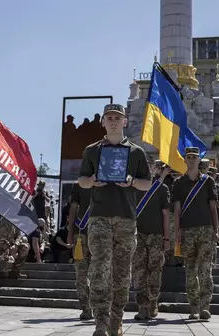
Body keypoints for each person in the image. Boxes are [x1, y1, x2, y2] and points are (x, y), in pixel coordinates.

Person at [77, 103, 151, 336]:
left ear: (124, 122)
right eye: (109, 118)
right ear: (103, 122)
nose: (113, 121)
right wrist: (93, 180)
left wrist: (131, 181)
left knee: (121, 271)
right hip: (99, 216)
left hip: (126, 218)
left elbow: (146, 184)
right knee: (99, 268)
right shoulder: (92, 150)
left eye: (117, 118)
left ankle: (116, 319)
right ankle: (100, 321)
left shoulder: (136, 152)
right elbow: (81, 181)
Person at [173, 147, 219, 320]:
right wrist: (177, 232)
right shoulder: (178, 183)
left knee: (205, 269)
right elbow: (176, 210)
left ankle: (205, 306)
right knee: (191, 271)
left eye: (194, 157)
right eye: (189, 157)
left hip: (206, 230)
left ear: (199, 160)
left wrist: (216, 230)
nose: (191, 159)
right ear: (184, 160)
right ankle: (194, 307)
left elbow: (213, 208)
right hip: (187, 231)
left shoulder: (208, 182)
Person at [132, 164, 171, 321]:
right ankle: (142, 307)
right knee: (139, 272)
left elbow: (166, 214)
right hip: (137, 235)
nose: (149, 168)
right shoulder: (134, 187)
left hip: (156, 235)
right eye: (146, 165)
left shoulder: (162, 189)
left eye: (153, 166)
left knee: (155, 270)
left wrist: (166, 238)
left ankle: (153, 300)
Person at [67, 184, 93, 320]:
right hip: (81, 235)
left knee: (100, 274)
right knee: (81, 275)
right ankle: (86, 308)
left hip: (101, 236)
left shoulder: (110, 181)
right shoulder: (79, 184)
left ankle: (99, 307)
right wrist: (70, 233)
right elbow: (73, 208)